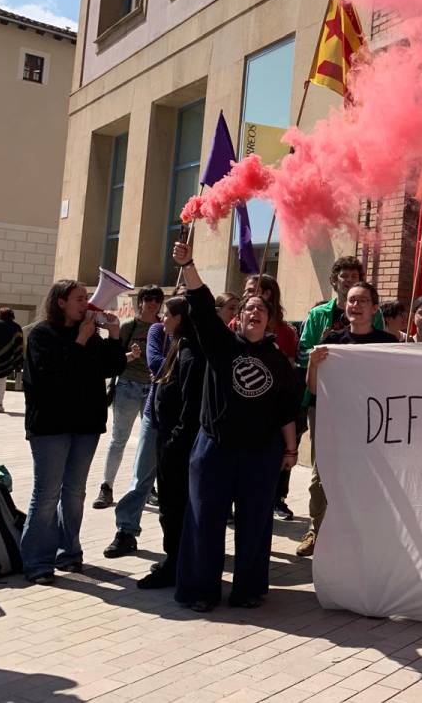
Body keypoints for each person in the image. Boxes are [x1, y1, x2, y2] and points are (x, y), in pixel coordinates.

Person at [170, 240, 297, 612]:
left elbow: (286, 409)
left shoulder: (278, 360)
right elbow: (200, 301)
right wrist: (189, 263)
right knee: (204, 520)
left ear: (269, 321)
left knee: (255, 524)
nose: (255, 312)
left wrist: (290, 450)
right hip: (214, 449)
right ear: (238, 318)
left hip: (261, 453)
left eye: (262, 309)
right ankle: (200, 591)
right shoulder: (221, 344)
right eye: (249, 308)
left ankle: (249, 589)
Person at [20, 281, 126, 584]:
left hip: (85, 425)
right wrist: (79, 340)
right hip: (50, 426)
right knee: (46, 493)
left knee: (75, 492)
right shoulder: (42, 334)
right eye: (80, 299)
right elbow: (49, 378)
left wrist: (114, 335)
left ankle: (69, 553)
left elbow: (112, 366)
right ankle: (38, 561)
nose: (87, 303)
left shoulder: (90, 334)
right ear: (61, 302)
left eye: (86, 298)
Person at [297, 282, 399, 557]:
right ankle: (316, 533)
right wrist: (313, 365)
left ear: (375, 308)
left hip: (372, 426)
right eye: (352, 300)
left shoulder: (389, 344)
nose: (355, 305)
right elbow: (315, 388)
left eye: (363, 301)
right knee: (322, 479)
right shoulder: (332, 343)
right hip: (336, 425)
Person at [103, 297, 180, 558]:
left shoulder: (199, 337)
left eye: (169, 311)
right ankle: (126, 531)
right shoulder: (158, 331)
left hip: (185, 421)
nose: (163, 315)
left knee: (179, 485)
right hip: (155, 415)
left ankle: (180, 543)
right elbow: (157, 365)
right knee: (141, 477)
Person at [136, 296, 203, 589]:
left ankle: (177, 564)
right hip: (169, 440)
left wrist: (175, 443)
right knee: (171, 506)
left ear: (179, 318)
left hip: (178, 445)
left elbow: (190, 408)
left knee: (175, 507)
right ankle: (175, 558)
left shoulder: (190, 353)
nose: (162, 320)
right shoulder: (180, 345)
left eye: (167, 315)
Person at [234, 274, 299, 521]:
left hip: (269, 422)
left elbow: (287, 382)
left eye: (255, 291)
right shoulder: (234, 326)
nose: (249, 295)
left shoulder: (286, 332)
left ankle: (277, 499)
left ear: (269, 294)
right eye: (247, 292)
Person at [93, 285, 164, 509]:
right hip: (127, 386)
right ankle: (106, 487)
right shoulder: (128, 327)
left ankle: (146, 487)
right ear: (140, 301)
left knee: (150, 442)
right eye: (148, 298)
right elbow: (113, 358)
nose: (153, 303)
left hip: (153, 389)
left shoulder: (163, 329)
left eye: (157, 299)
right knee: (118, 439)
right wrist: (130, 356)